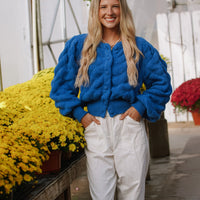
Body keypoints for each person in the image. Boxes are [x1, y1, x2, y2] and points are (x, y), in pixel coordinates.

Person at [50, 0, 172, 199]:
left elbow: (161, 83)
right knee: (101, 193)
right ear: (95, 11)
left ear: (122, 9)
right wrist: (81, 115)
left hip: (129, 126)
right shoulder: (78, 46)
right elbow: (61, 87)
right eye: (103, 6)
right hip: (95, 127)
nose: (109, 12)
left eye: (115, 6)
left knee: (133, 192)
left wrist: (139, 107)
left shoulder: (139, 46)